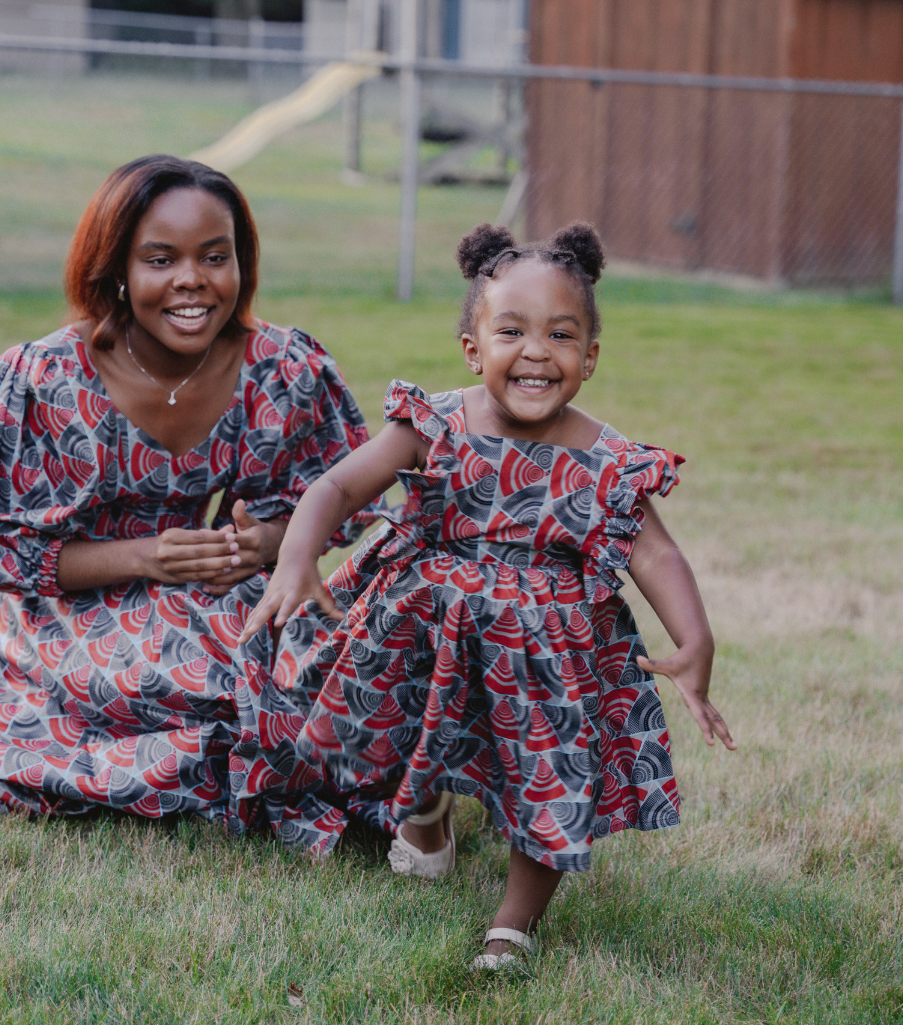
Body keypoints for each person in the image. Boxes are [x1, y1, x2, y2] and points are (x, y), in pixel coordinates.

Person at [239, 221, 736, 967]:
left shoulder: (607, 460)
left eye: (561, 335)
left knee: (548, 771)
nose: (536, 351)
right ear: (473, 347)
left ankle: (513, 924)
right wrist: (297, 558)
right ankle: (427, 813)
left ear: (590, 358)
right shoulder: (434, 424)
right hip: (425, 621)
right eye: (512, 330)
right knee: (409, 721)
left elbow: (655, 551)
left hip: (546, 651)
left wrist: (695, 643)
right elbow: (338, 485)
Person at [0, 155, 377, 853]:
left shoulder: (283, 368)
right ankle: (253, 761)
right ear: (116, 269)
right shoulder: (44, 379)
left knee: (335, 655)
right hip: (67, 616)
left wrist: (265, 543)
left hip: (216, 591)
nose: (192, 280)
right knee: (210, 675)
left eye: (215, 257)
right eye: (161, 259)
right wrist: (146, 557)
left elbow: (343, 498)